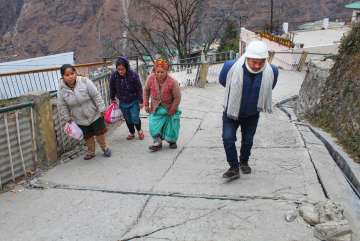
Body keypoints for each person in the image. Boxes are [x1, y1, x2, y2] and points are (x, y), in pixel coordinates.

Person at [219, 40, 279, 179]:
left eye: (261, 62)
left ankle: (244, 161)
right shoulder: (230, 67)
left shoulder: (272, 71)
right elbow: (224, 82)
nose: (257, 65)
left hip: (252, 114)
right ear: (247, 57)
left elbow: (270, 88)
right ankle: (234, 167)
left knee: (248, 140)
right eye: (254, 62)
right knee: (228, 138)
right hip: (231, 112)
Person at [57, 64, 112, 160]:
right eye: (67, 75)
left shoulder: (84, 81)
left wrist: (102, 108)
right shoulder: (62, 91)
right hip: (79, 118)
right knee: (88, 136)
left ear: (75, 73)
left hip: (94, 113)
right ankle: (91, 152)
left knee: (99, 133)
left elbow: (96, 95)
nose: (70, 76)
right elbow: (62, 106)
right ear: (63, 77)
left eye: (72, 73)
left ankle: (105, 148)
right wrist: (67, 118)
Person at [144, 59, 182, 152]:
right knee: (153, 125)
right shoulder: (150, 78)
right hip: (156, 107)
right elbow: (146, 90)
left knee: (171, 126)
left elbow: (177, 97)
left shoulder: (172, 82)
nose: (160, 74)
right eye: (158, 72)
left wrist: (173, 109)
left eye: (162, 72)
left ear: (166, 71)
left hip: (169, 107)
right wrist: (146, 104)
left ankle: (172, 141)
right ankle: (157, 141)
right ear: (154, 71)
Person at [109, 57, 145, 140]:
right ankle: (132, 132)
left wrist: (141, 101)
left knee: (135, 117)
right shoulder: (114, 76)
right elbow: (112, 87)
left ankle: (139, 130)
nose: (121, 71)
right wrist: (112, 98)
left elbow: (139, 88)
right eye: (119, 69)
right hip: (122, 101)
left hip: (134, 100)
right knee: (128, 118)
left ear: (126, 67)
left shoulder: (133, 75)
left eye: (123, 69)